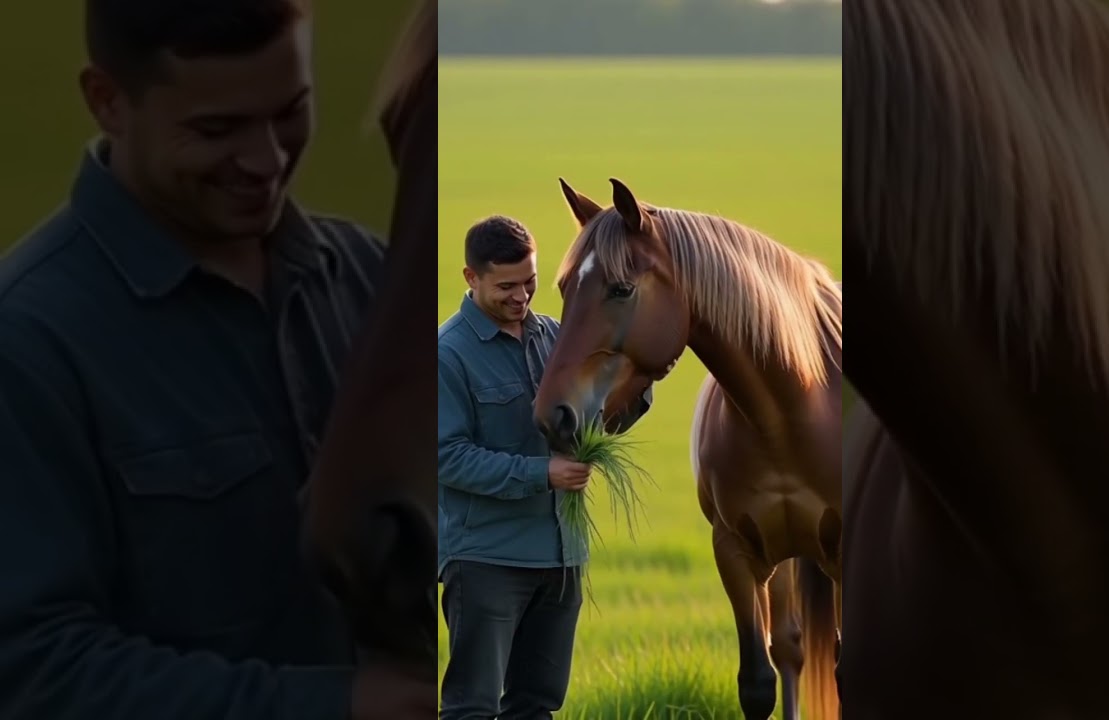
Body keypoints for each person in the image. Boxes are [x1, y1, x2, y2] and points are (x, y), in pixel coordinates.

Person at [0, 1, 434, 718]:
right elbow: (32, 669)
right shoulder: (28, 348)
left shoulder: (367, 278)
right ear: (107, 100)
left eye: (290, 110)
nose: (265, 161)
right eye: (216, 129)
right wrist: (338, 707)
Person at [437, 215, 654, 719]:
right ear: (471, 278)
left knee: (537, 706)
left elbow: (599, 419)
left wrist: (638, 376)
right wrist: (542, 474)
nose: (521, 296)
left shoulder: (557, 337)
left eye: (530, 281)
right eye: (506, 286)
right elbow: (445, 456)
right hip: (488, 560)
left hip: (561, 560)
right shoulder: (449, 355)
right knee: (472, 708)